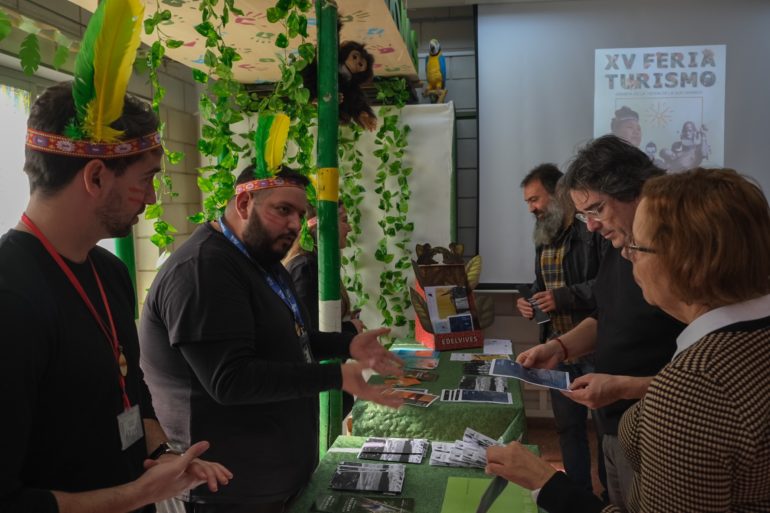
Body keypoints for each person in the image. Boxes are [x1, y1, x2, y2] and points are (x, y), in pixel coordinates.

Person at [0, 82, 231, 513]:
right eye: (146, 179)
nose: (152, 197)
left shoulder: (109, 271)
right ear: (95, 177)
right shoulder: (11, 297)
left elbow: (130, 387)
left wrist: (164, 457)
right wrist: (138, 495)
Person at [487, 167, 770, 512]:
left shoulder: (693, 386)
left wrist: (545, 483)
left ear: (686, 263)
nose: (626, 255)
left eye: (637, 246)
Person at [139, 165, 404, 513]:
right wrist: (336, 376)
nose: (295, 224)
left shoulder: (260, 259)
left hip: (272, 480)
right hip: (228, 489)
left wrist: (346, 345)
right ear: (244, 203)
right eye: (283, 209)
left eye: (300, 214)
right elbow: (231, 379)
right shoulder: (205, 268)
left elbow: (289, 339)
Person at [515, 135, 684, 510]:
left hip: (658, 430)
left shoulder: (677, 256)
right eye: (583, 215)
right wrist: (559, 346)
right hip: (613, 424)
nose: (591, 226)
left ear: (636, 191)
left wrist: (625, 387)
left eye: (597, 210)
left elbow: (701, 382)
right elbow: (606, 314)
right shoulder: (619, 244)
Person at [516, 163, 607, 495]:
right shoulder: (543, 238)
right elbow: (540, 285)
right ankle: (578, 495)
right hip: (557, 350)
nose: (532, 208)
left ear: (558, 194)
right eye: (528, 202)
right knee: (568, 429)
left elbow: (608, 287)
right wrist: (528, 302)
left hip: (596, 348)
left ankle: (610, 498)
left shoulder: (592, 232)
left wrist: (563, 297)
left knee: (607, 430)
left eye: (535, 199)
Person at [283, 204, 364, 335]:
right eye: (344, 220)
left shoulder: (316, 263)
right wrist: (350, 328)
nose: (349, 228)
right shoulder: (305, 268)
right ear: (325, 225)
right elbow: (306, 332)